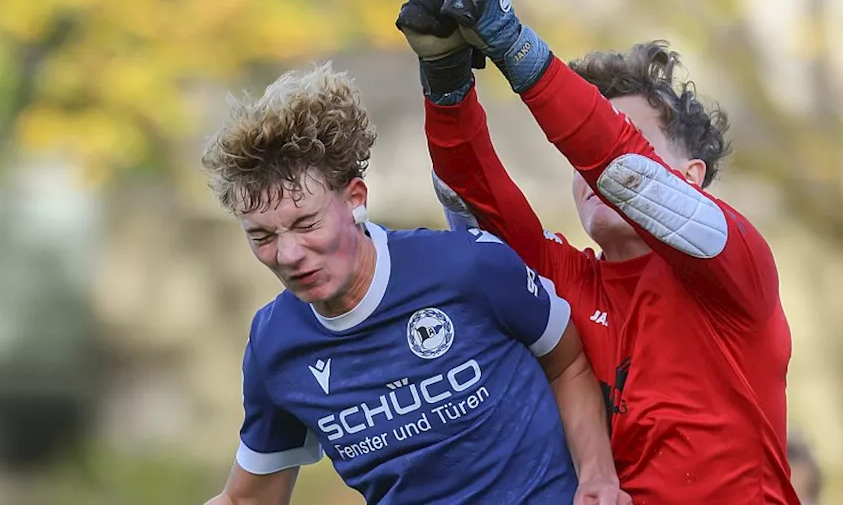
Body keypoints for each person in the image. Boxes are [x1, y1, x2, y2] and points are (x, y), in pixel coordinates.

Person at [395, 0, 798, 504]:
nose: (589, 170)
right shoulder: (568, 279)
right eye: (580, 158)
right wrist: (443, 74)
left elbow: (624, 168)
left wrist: (512, 43)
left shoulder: (737, 265)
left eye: (625, 133)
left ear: (692, 176)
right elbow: (472, 196)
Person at [199, 63, 630, 505]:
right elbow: (248, 498)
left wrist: (597, 476)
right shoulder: (275, 345)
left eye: (307, 223)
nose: (288, 255)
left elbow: (566, 362)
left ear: (355, 199)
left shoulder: (468, 266)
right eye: (262, 237)